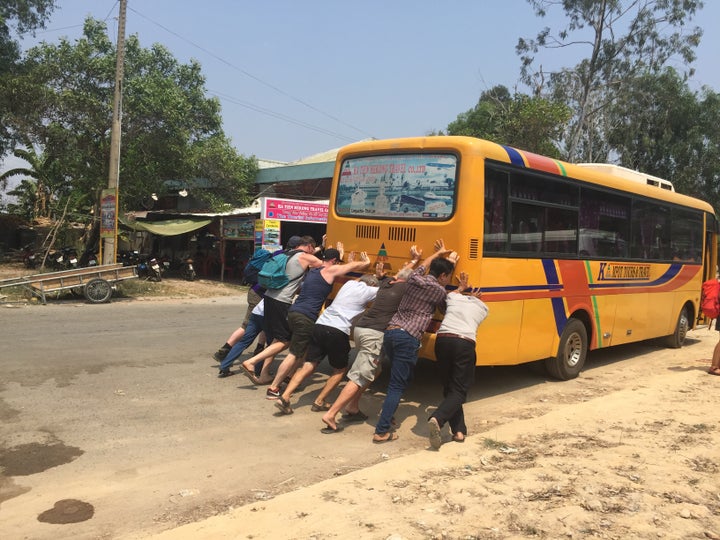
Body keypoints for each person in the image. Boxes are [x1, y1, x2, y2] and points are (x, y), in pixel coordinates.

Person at [246, 247, 371, 398]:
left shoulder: (313, 270)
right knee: (293, 353)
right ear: (334, 262)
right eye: (337, 262)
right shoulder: (329, 271)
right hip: (305, 317)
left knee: (301, 349)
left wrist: (341, 260)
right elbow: (350, 267)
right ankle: (273, 388)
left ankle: (289, 376)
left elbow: (345, 276)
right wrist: (365, 262)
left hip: (293, 312)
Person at [321, 248, 421, 432]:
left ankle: (353, 406)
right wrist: (420, 261)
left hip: (360, 328)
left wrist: (413, 261)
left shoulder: (388, 283)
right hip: (373, 333)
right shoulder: (405, 289)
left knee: (376, 369)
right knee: (360, 375)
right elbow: (411, 276)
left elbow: (402, 273)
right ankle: (331, 413)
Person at [372, 239, 456, 444]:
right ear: (443, 276)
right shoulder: (437, 291)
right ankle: (382, 430)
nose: (448, 280)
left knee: (403, 378)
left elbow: (421, 266)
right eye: (448, 276)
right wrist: (455, 271)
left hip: (391, 333)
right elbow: (446, 308)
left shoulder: (414, 278)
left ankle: (388, 414)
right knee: (397, 385)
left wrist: (438, 254)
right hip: (408, 337)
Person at [274, 272, 380, 418]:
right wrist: (382, 277)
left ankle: (285, 396)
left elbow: (358, 279)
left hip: (320, 324)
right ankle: (319, 401)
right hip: (338, 330)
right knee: (340, 369)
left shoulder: (349, 284)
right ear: (373, 284)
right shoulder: (371, 290)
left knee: (309, 364)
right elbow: (388, 290)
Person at [236, 236, 324, 388]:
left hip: (268, 298)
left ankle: (264, 374)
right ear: (309, 246)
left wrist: (320, 247)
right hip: (281, 302)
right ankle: (251, 362)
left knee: (277, 339)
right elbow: (326, 266)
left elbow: (308, 254)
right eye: (313, 248)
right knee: (285, 341)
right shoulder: (305, 257)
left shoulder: (283, 254)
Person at [426, 271, 488, 449]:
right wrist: (473, 298)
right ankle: (437, 418)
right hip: (464, 343)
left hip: (443, 339)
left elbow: (453, 295)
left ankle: (459, 431)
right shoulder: (483, 309)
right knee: (460, 389)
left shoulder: (453, 298)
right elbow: (471, 304)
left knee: (450, 388)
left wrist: (462, 288)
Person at [217, 299, 269, 378]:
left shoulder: (271, 287)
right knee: (273, 345)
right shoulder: (286, 287)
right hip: (269, 315)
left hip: (256, 312)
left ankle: (224, 365)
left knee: (243, 341)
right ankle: (259, 369)